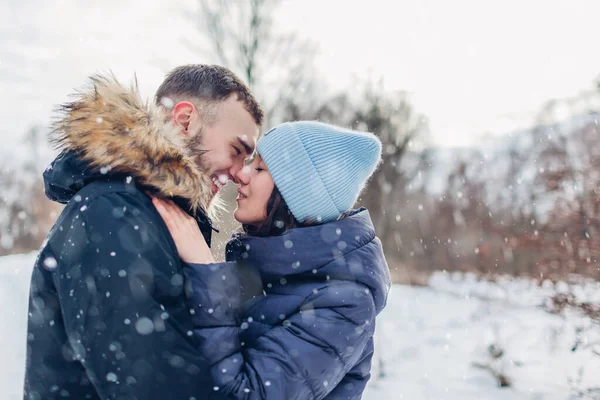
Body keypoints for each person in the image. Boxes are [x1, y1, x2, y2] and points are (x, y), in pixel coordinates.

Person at [23, 65, 264, 400]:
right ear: (184, 121)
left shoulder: (152, 214)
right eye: (237, 151)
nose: (240, 174)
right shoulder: (112, 213)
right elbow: (153, 386)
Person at [153, 121, 392, 399]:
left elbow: (244, 394)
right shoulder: (264, 270)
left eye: (260, 169)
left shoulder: (346, 304)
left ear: (295, 197)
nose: (241, 174)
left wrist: (206, 273)